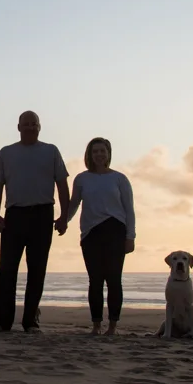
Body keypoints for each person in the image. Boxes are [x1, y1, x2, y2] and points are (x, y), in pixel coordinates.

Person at [0, 111, 70, 333]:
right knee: (6, 269)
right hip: (14, 216)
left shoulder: (51, 151)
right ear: (18, 127)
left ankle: (30, 321)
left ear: (40, 127)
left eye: (34, 124)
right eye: (26, 124)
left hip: (43, 215)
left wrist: (64, 216)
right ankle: (2, 321)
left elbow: (62, 185)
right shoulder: (6, 153)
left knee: (37, 270)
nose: (30, 127)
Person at [66, 137, 136, 336]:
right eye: (95, 151)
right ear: (89, 154)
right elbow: (74, 204)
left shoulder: (119, 179)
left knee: (114, 280)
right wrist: (64, 221)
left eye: (102, 151)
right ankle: (96, 324)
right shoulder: (81, 179)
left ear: (108, 154)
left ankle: (113, 326)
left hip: (115, 230)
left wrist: (130, 236)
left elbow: (129, 210)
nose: (99, 154)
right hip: (91, 233)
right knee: (95, 280)